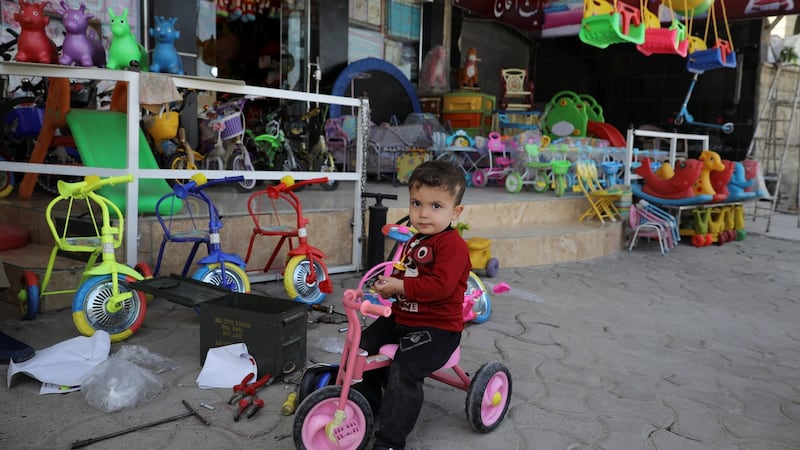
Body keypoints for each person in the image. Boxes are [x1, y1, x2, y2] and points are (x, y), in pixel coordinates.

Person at [356, 160, 471, 450]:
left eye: (435, 206)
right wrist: (386, 286)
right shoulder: (414, 240)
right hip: (402, 319)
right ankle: (367, 406)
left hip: (438, 329)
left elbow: (441, 287)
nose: (422, 213)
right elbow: (402, 272)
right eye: (416, 203)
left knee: (404, 370)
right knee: (361, 345)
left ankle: (390, 441)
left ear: (455, 212)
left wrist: (400, 286)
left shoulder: (452, 247)